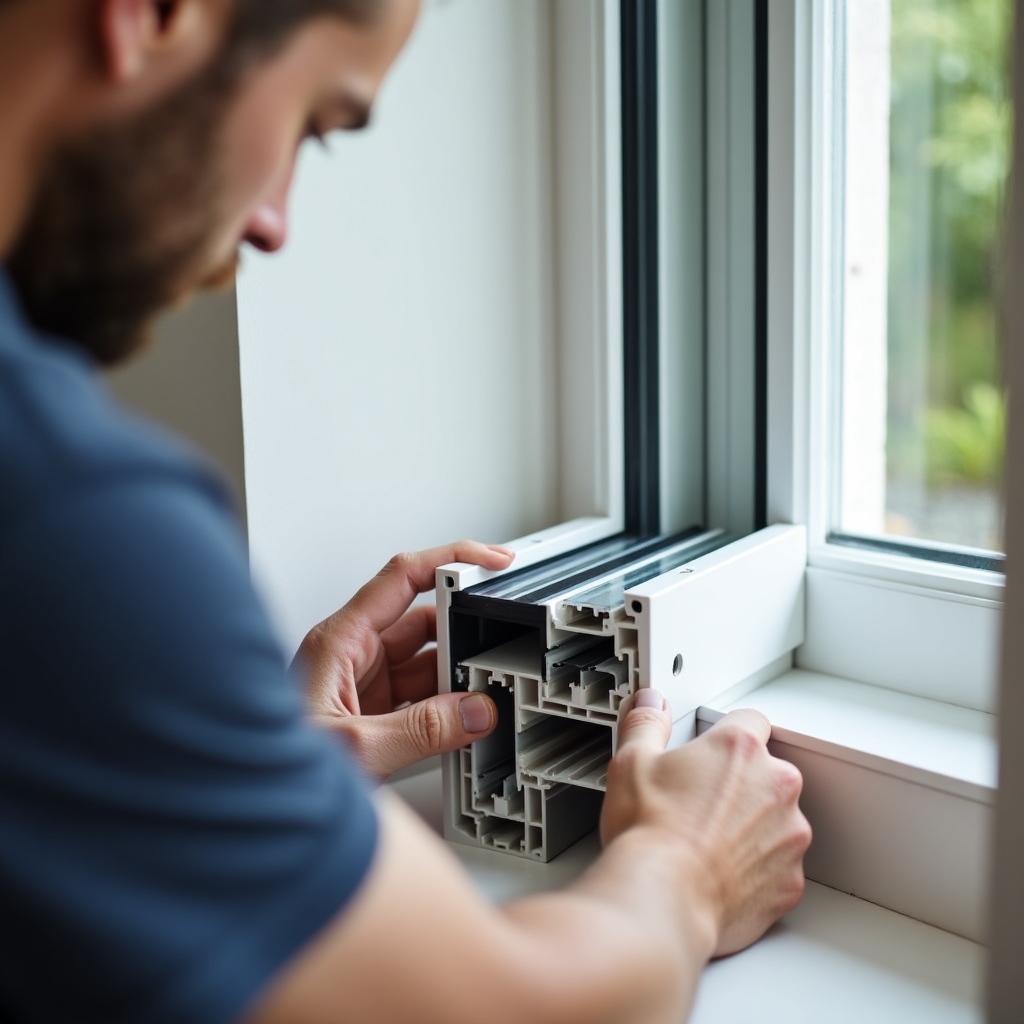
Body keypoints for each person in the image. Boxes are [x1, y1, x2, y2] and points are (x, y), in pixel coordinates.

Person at [0, 0, 812, 1022]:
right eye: (311, 126)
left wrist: (249, 779)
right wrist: (688, 868)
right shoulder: (68, 518)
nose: (270, 224)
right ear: (157, 16)